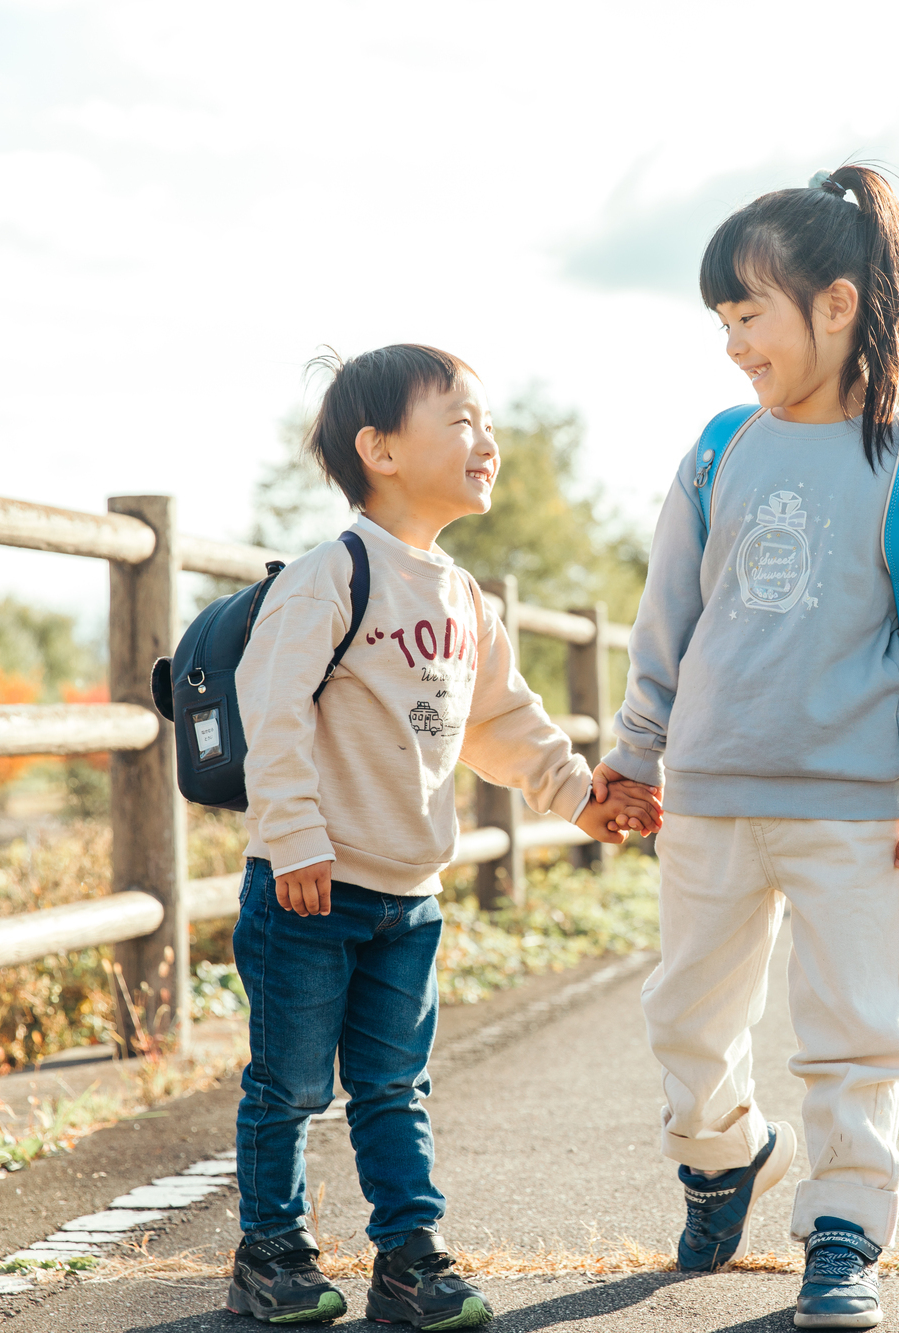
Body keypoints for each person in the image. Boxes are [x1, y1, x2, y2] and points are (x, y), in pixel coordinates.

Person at [594, 166, 899, 1329]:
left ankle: (842, 1229)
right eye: (719, 321)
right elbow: (665, 616)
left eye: (747, 315)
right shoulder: (720, 448)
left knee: (856, 1029)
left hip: (855, 806)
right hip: (710, 795)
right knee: (684, 1015)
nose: (731, 344)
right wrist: (635, 748)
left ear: (834, 305)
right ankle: (722, 1154)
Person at [226, 343, 661, 1329]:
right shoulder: (330, 573)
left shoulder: (464, 598)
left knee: (391, 1084)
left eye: (488, 423)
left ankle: (408, 1258)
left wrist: (580, 797)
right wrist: (292, 837)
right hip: (310, 884)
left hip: (407, 894)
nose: (486, 439)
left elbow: (502, 723)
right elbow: (274, 706)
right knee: (290, 1083)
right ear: (378, 449)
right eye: (461, 419)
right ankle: (271, 1250)